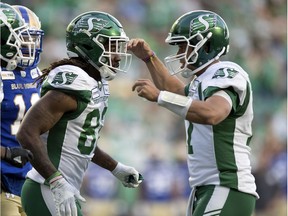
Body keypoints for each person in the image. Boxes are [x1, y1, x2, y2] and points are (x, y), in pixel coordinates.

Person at [129, 10, 259, 216]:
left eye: (183, 45)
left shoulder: (226, 72)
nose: (180, 52)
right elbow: (176, 91)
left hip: (226, 185)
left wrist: (159, 97)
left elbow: (213, 113)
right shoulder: (204, 79)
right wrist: (149, 58)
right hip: (208, 187)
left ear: (206, 45)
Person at [16, 11, 143, 216]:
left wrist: (115, 167)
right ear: (89, 45)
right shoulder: (75, 82)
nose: (118, 56)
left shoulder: (96, 83)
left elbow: (81, 141)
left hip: (62, 191)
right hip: (46, 188)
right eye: (111, 47)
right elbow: (26, 133)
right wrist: (56, 181)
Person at [1, 3, 44, 216]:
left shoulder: (33, 71)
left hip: (26, 177)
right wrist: (6, 152)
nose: (30, 43)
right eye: (24, 37)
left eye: (33, 37)